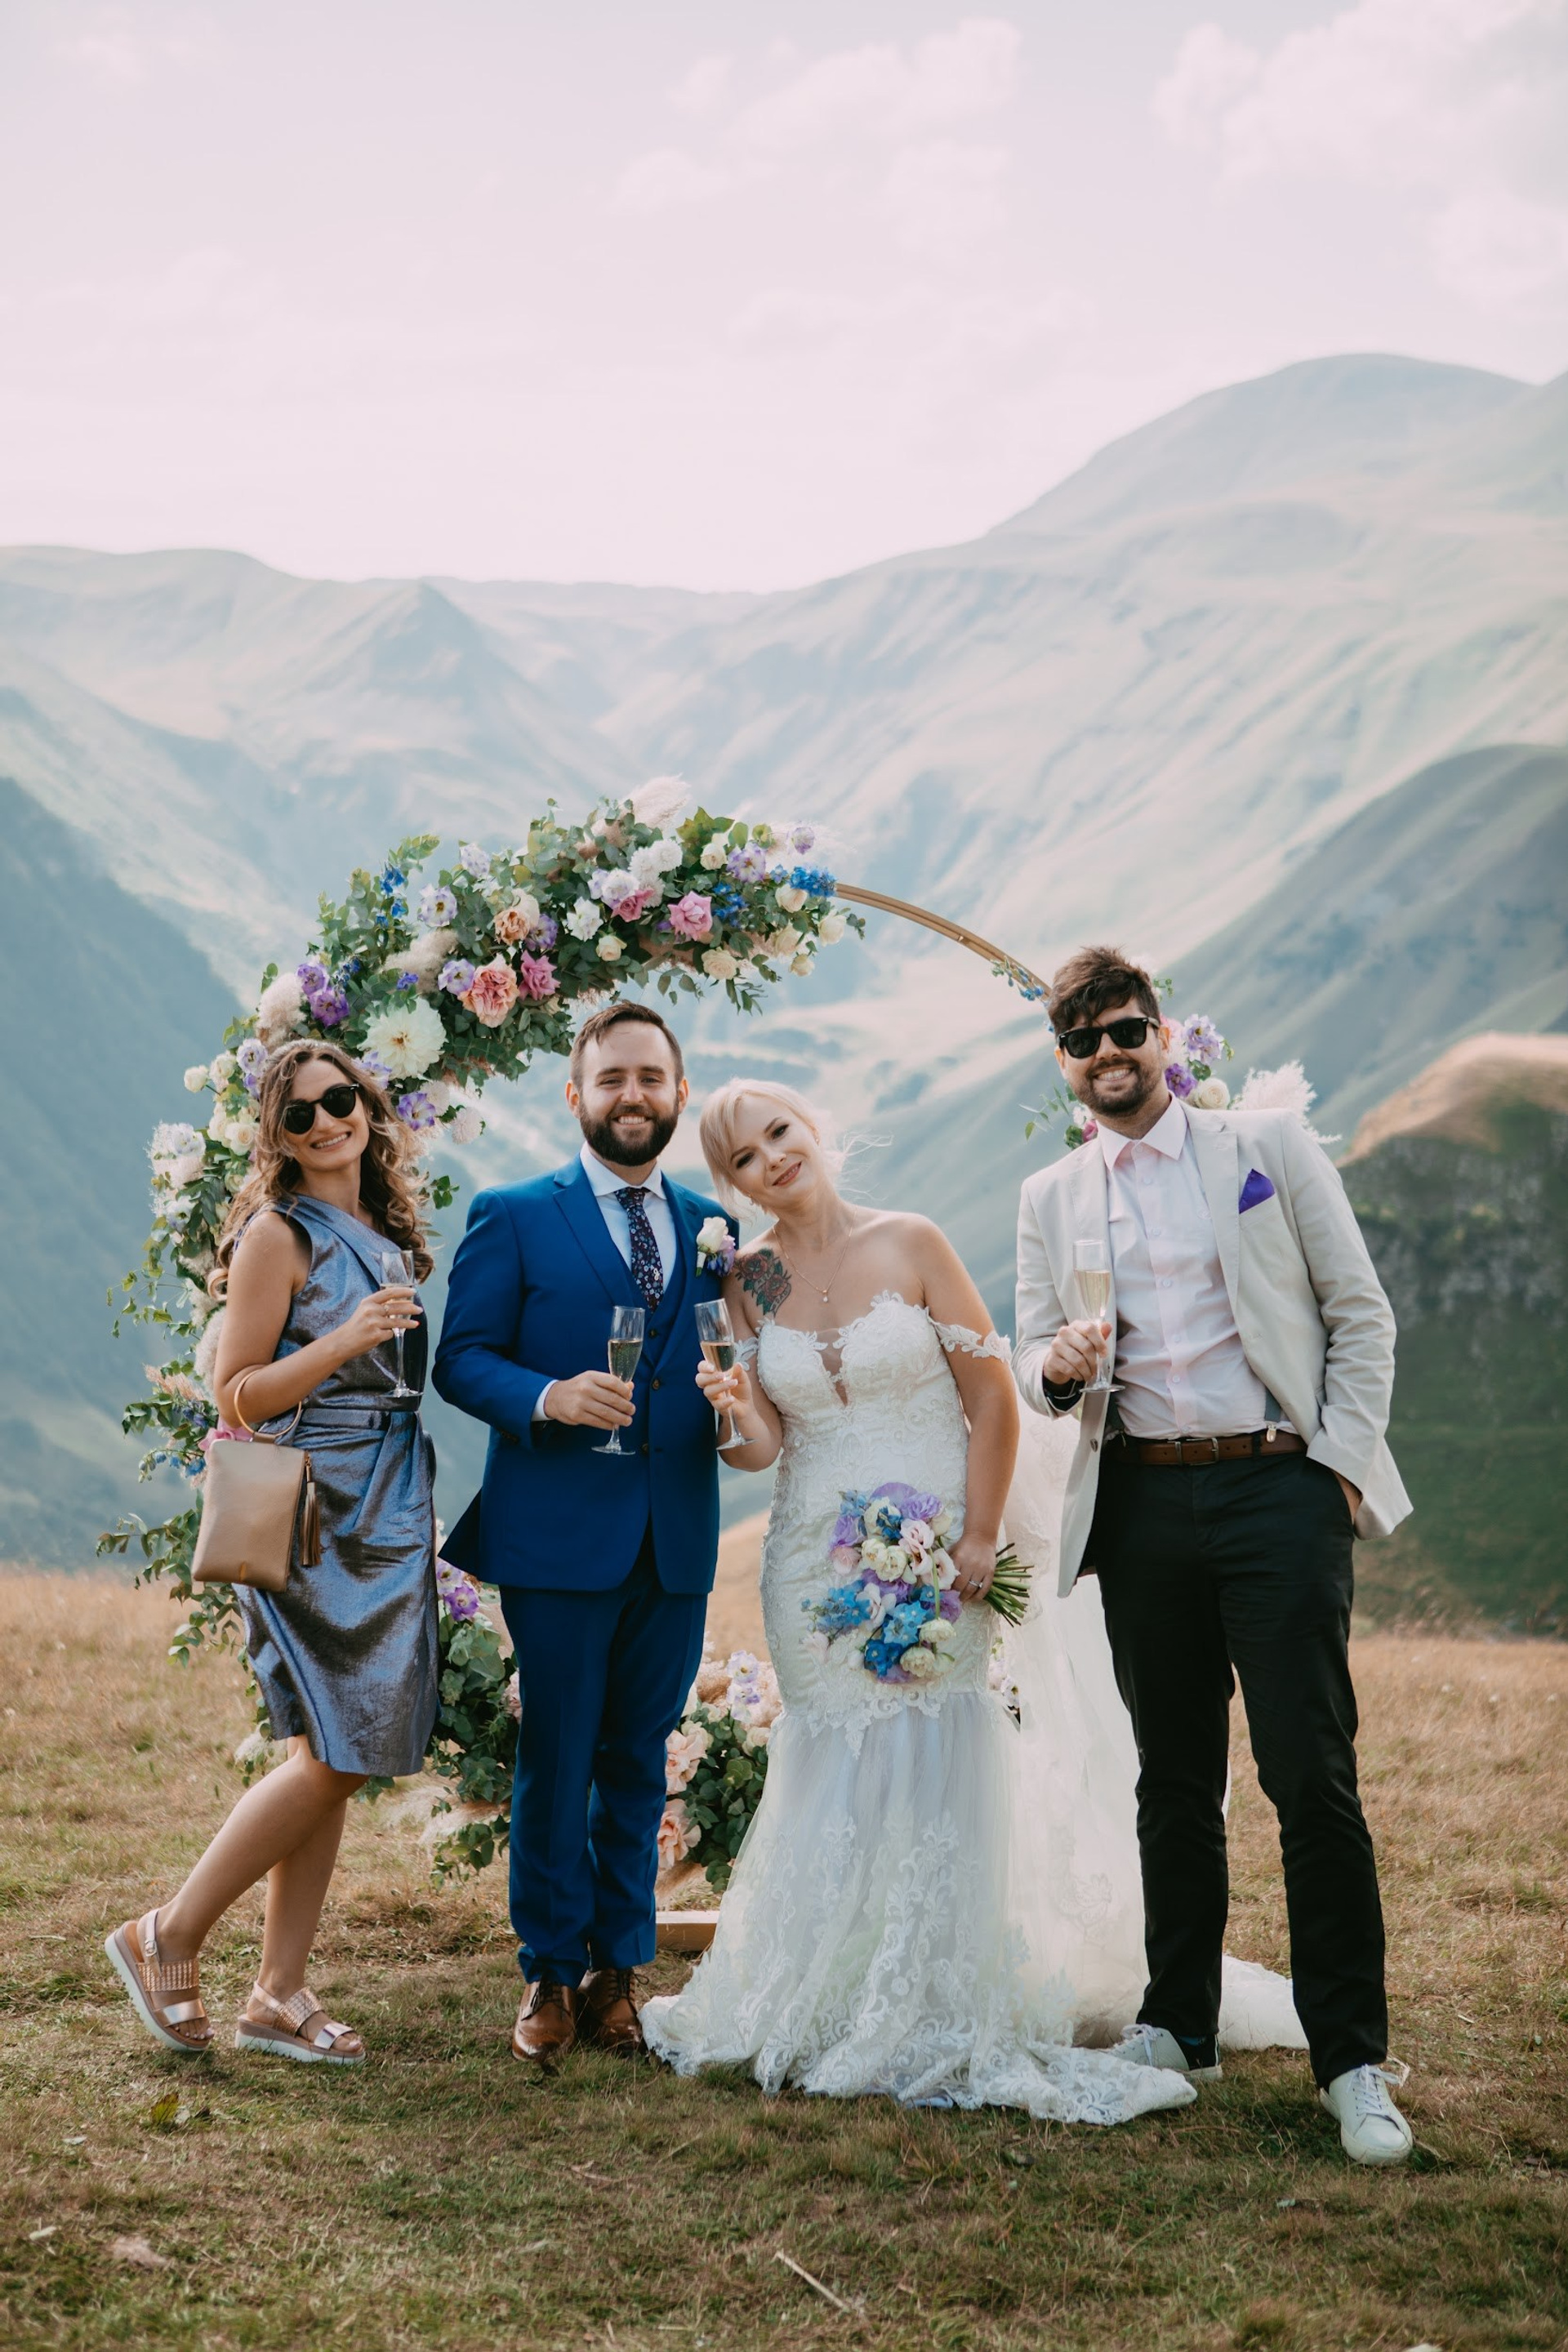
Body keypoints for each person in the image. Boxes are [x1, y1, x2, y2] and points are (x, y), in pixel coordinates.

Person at [639, 1078, 1197, 2126]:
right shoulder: (747, 1274)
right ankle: (834, 1989)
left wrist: (978, 1536)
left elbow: (992, 1398)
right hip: (813, 1555)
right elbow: (766, 1445)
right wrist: (726, 1412)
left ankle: (931, 1990)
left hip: (939, 1544)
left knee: (936, 1747)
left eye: (780, 1132)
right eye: (746, 1157)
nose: (773, 1159)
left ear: (814, 1126)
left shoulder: (912, 1240)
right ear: (732, 1183)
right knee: (834, 1757)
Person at [1013, 943, 1415, 2165]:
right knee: (1173, 1782)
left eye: (1125, 1031)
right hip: (1138, 1506)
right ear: (1064, 1065)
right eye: (1081, 1044)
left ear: (1163, 1033)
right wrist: (1058, 1368)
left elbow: (1360, 1311)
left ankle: (1352, 2058)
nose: (1107, 1057)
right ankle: (1178, 2024)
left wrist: (1335, 1468)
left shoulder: (1268, 1151)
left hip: (1274, 1492)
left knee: (1311, 1774)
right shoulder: (1051, 1200)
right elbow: (1035, 1359)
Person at [106, 1041, 439, 2065]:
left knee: (333, 1755)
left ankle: (278, 1993)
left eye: (342, 1099)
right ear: (278, 1137)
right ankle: (165, 1935)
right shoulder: (276, 1236)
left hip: (389, 1502)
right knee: (335, 1759)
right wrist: (342, 1339)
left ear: (368, 1107)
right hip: (316, 1509)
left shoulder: (381, 1227)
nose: (327, 1121)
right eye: (301, 1114)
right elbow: (237, 1395)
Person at [432, 1002, 737, 2065]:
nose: (632, 1096)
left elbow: (753, 1348)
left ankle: (622, 1973)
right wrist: (550, 1397)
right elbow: (460, 1357)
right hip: (558, 1531)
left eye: (651, 1077)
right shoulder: (512, 1214)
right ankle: (549, 1976)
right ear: (576, 1095)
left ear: (679, 1092)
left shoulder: (718, 1232)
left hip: (678, 1533)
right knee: (557, 1759)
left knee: (641, 1760)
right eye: (611, 1079)